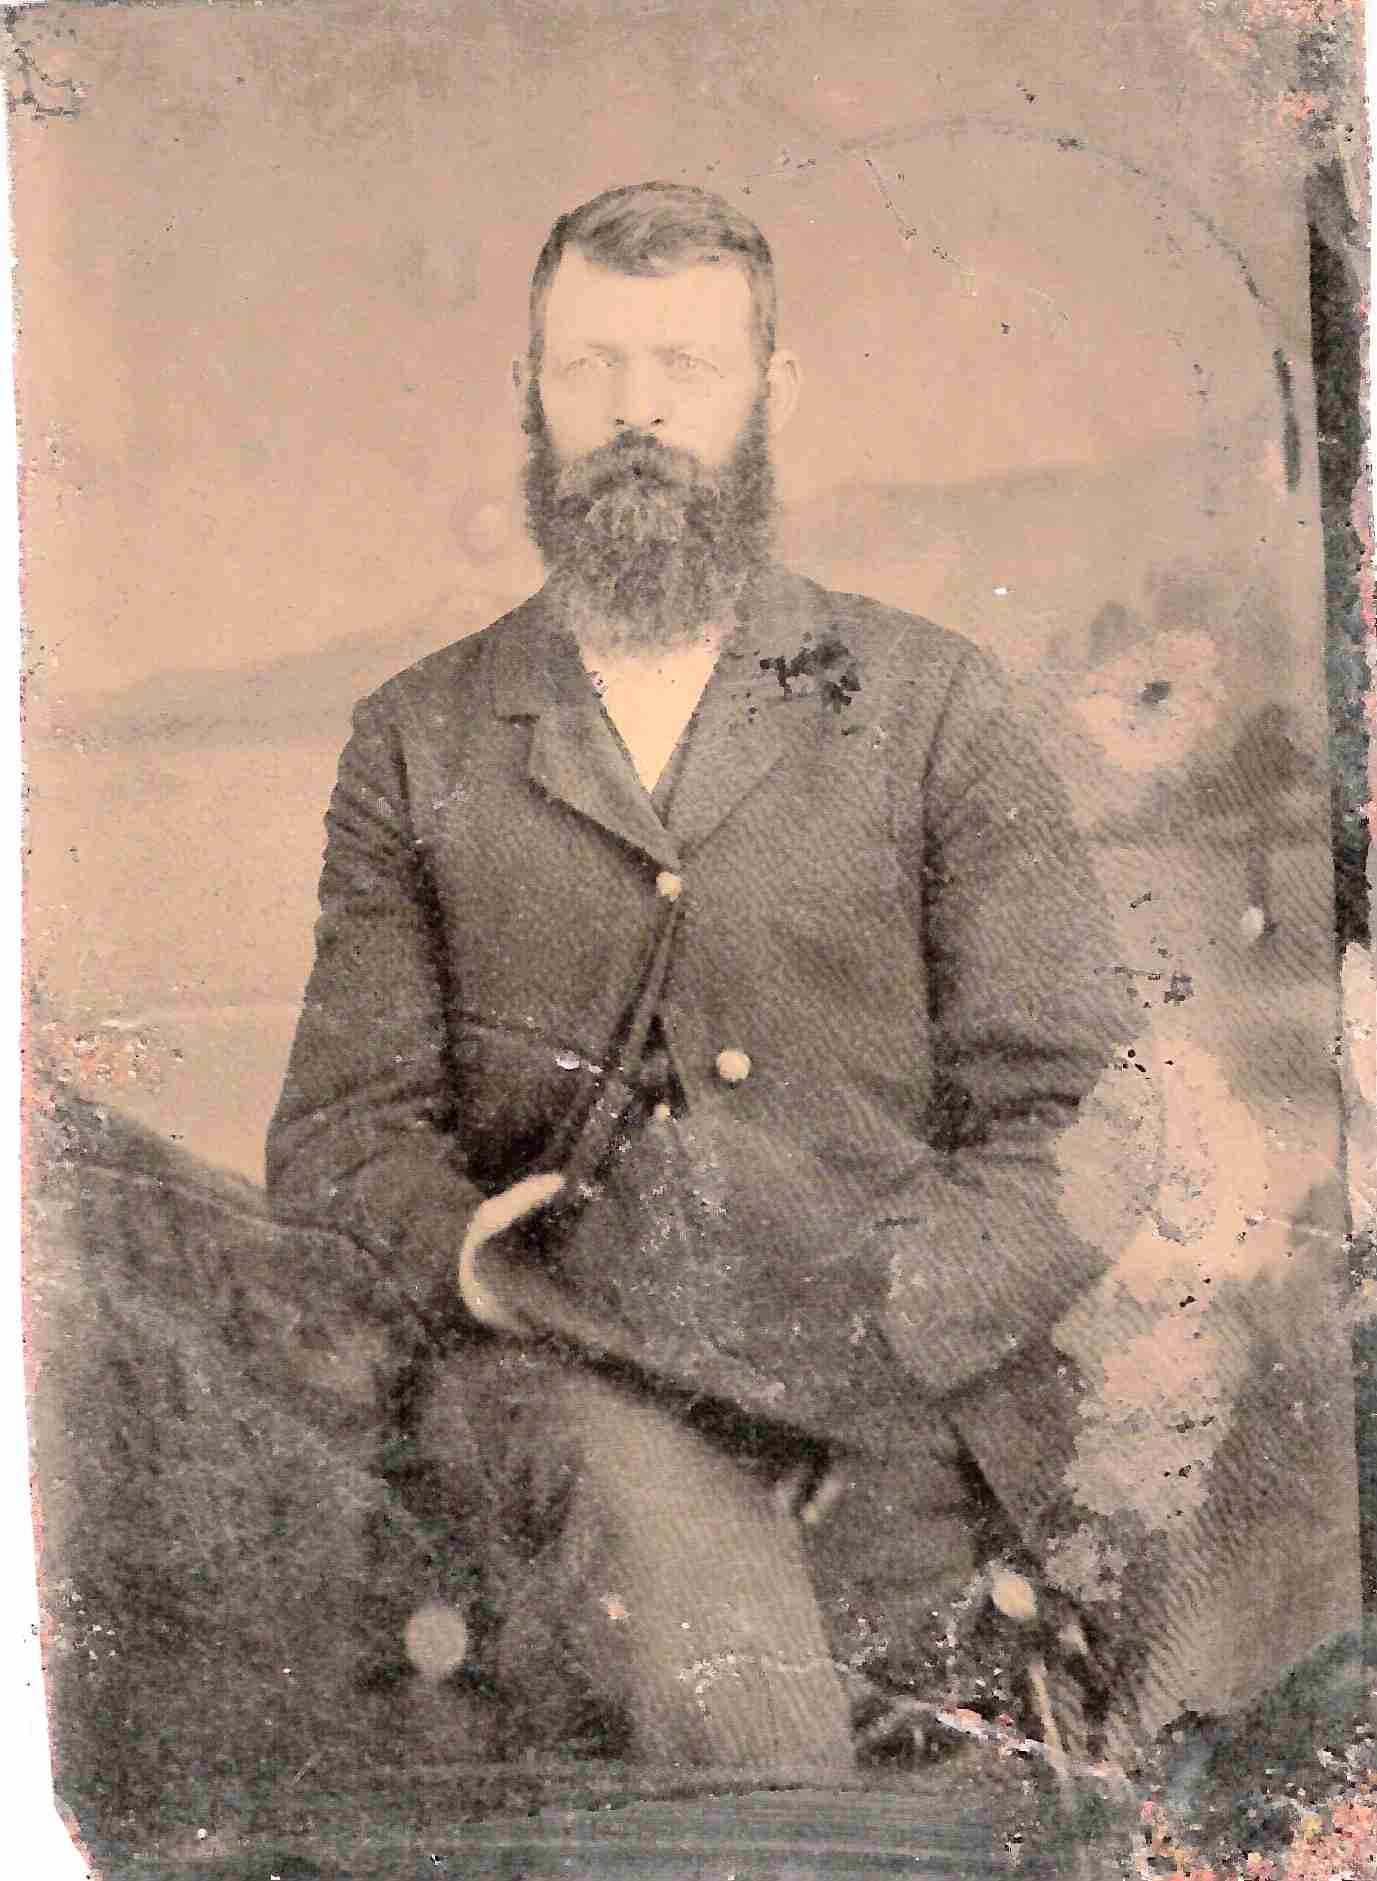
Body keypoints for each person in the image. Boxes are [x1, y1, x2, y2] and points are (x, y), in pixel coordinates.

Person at [266, 181, 1141, 1774]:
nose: (637, 415)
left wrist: (889, 1321)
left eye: (684, 366)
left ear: (769, 394)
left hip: (901, 1398)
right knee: (705, 1642)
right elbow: (340, 1139)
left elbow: (1086, 1116)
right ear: (529, 391)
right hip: (574, 1383)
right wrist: (483, 1265)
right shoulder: (417, 735)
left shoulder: (932, 704)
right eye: (591, 366)